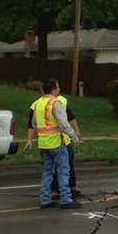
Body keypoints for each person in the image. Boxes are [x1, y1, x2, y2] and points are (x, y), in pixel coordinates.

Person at [25, 78, 82, 210]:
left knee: (48, 172)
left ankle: (45, 199)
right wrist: (74, 137)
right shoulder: (55, 103)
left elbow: (33, 124)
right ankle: (66, 199)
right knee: (63, 171)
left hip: (44, 143)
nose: (59, 89)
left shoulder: (38, 104)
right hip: (56, 142)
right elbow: (64, 123)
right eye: (58, 87)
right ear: (53, 89)